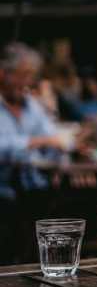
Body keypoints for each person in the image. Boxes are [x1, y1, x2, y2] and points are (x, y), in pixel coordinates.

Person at [0, 43, 64, 200]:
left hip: (36, 190)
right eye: (22, 75)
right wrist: (34, 142)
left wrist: (67, 150)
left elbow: (53, 140)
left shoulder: (32, 105)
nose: (27, 82)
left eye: (31, 76)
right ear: (2, 73)